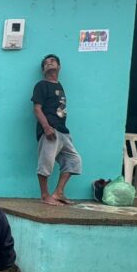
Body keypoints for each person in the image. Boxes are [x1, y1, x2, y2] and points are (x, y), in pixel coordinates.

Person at [31, 54, 82, 206]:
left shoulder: (59, 85)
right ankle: (45, 195)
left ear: (59, 67)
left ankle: (59, 192)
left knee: (74, 160)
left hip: (63, 131)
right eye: (46, 63)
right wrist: (46, 128)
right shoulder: (41, 85)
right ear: (43, 70)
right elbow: (37, 109)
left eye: (52, 61)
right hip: (50, 129)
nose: (49, 63)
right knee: (46, 163)